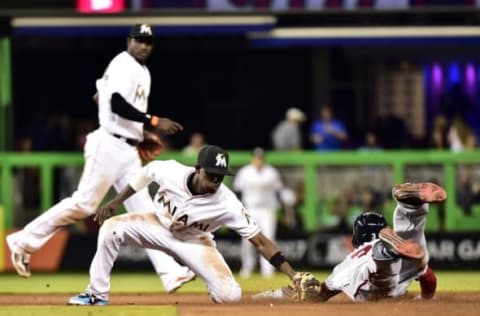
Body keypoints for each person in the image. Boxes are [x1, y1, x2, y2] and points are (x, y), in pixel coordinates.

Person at [6, 24, 195, 293]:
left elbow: (100, 96)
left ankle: (170, 272)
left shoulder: (141, 71)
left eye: (148, 42)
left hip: (127, 150)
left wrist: (139, 134)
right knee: (84, 204)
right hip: (107, 144)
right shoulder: (122, 62)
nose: (144, 45)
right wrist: (152, 121)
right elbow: (116, 102)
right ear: (129, 41)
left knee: (145, 212)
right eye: (139, 40)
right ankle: (22, 241)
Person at [68, 145, 317, 305]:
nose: (215, 182)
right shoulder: (171, 171)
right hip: (157, 224)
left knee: (230, 296)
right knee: (111, 228)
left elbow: (260, 241)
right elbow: (145, 174)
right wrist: (115, 201)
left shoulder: (227, 202)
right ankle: (96, 294)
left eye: (220, 177)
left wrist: (293, 274)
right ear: (198, 169)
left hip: (196, 242)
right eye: (211, 175)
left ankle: (273, 293)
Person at [254, 182, 444, 302]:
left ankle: (386, 250)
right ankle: (410, 208)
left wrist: (299, 292)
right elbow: (429, 278)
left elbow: (323, 294)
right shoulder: (410, 250)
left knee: (378, 269)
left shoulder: (350, 261)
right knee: (416, 247)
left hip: (373, 273)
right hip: (400, 261)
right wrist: (426, 299)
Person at [232, 147, 296, 278]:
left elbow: (280, 190)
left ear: (264, 159)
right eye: (256, 157)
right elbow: (237, 191)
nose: (258, 160)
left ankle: (268, 270)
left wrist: (286, 197)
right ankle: (247, 267)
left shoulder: (271, 172)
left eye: (260, 158)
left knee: (269, 239)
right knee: (247, 239)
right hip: (250, 209)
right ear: (252, 158)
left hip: (268, 209)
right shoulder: (245, 172)